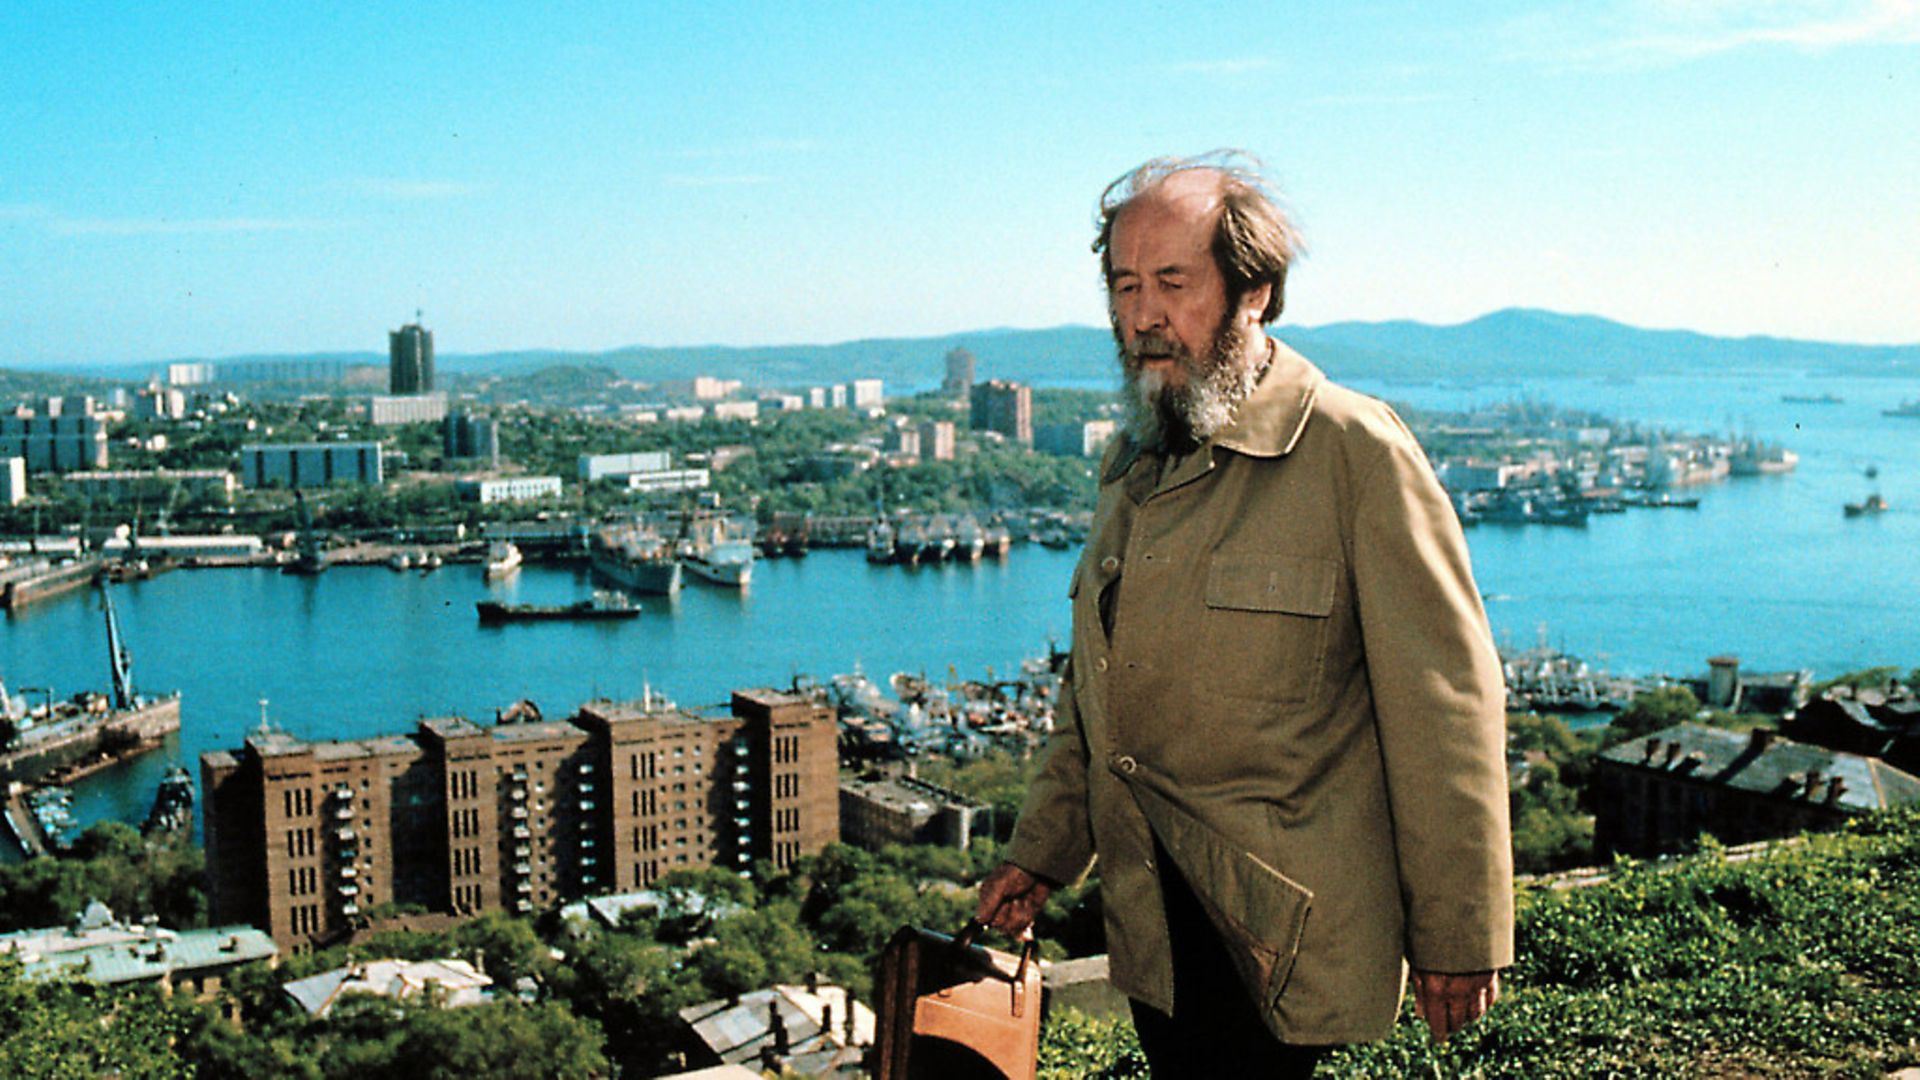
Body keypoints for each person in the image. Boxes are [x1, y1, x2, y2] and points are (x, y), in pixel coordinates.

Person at [976, 152, 1513, 1077]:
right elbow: (1094, 695)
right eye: (1125, 285)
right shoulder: (1133, 459)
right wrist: (1044, 851)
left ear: (1255, 291)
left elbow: (1445, 710)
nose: (1142, 315)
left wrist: (1461, 931)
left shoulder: (1353, 451)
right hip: (1155, 926)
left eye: (1173, 283)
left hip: (1286, 928)